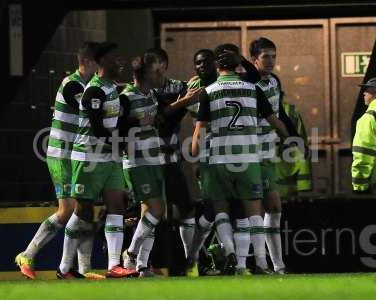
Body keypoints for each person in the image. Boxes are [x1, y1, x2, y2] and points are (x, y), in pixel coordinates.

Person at [192, 43, 291, 275]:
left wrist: (195, 154)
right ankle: (262, 263)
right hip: (248, 159)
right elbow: (275, 120)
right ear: (238, 66)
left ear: (217, 67)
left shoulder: (209, 91)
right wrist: (287, 137)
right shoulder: (253, 89)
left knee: (222, 210)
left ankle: (231, 256)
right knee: (254, 212)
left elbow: (200, 130)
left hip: (219, 161)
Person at [15, 42, 102, 280]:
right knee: (67, 211)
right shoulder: (72, 84)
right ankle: (27, 254)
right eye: (98, 61)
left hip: (76, 154)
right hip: (60, 155)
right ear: (86, 62)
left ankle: (84, 270)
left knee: (85, 209)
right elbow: (90, 108)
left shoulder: (90, 85)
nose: (100, 65)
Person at [57, 42, 138, 279]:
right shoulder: (94, 91)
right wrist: (123, 142)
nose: (120, 62)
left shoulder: (111, 88)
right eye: (115, 58)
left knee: (117, 206)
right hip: (88, 157)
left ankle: (114, 265)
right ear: (101, 62)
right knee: (83, 212)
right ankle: (64, 269)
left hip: (110, 156)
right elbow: (97, 130)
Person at [144, 48, 202, 275]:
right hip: (147, 160)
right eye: (151, 67)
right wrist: (183, 102)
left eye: (158, 66)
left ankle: (191, 262)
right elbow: (158, 119)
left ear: (165, 65)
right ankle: (142, 264)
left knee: (185, 209)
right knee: (149, 212)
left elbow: (195, 108)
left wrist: (195, 98)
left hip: (171, 158)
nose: (154, 72)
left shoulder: (178, 87)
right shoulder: (143, 91)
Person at [120, 53, 166, 277]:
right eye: (156, 71)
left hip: (154, 159)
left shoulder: (152, 94)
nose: (161, 74)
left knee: (149, 214)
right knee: (157, 210)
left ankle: (141, 266)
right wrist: (138, 121)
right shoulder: (126, 97)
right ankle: (130, 254)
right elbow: (116, 129)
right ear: (144, 73)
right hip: (137, 161)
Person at [249, 37, 291, 274]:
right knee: (252, 209)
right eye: (266, 56)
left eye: (273, 56)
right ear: (254, 59)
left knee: (272, 208)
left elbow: (279, 112)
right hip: (250, 153)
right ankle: (263, 264)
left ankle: (276, 266)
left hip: (267, 151)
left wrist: (291, 136)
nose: (271, 61)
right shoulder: (247, 83)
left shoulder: (274, 81)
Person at [352, 77, 376, 193]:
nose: (364, 93)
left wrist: (359, 187)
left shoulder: (368, 119)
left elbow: (363, 155)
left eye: (368, 89)